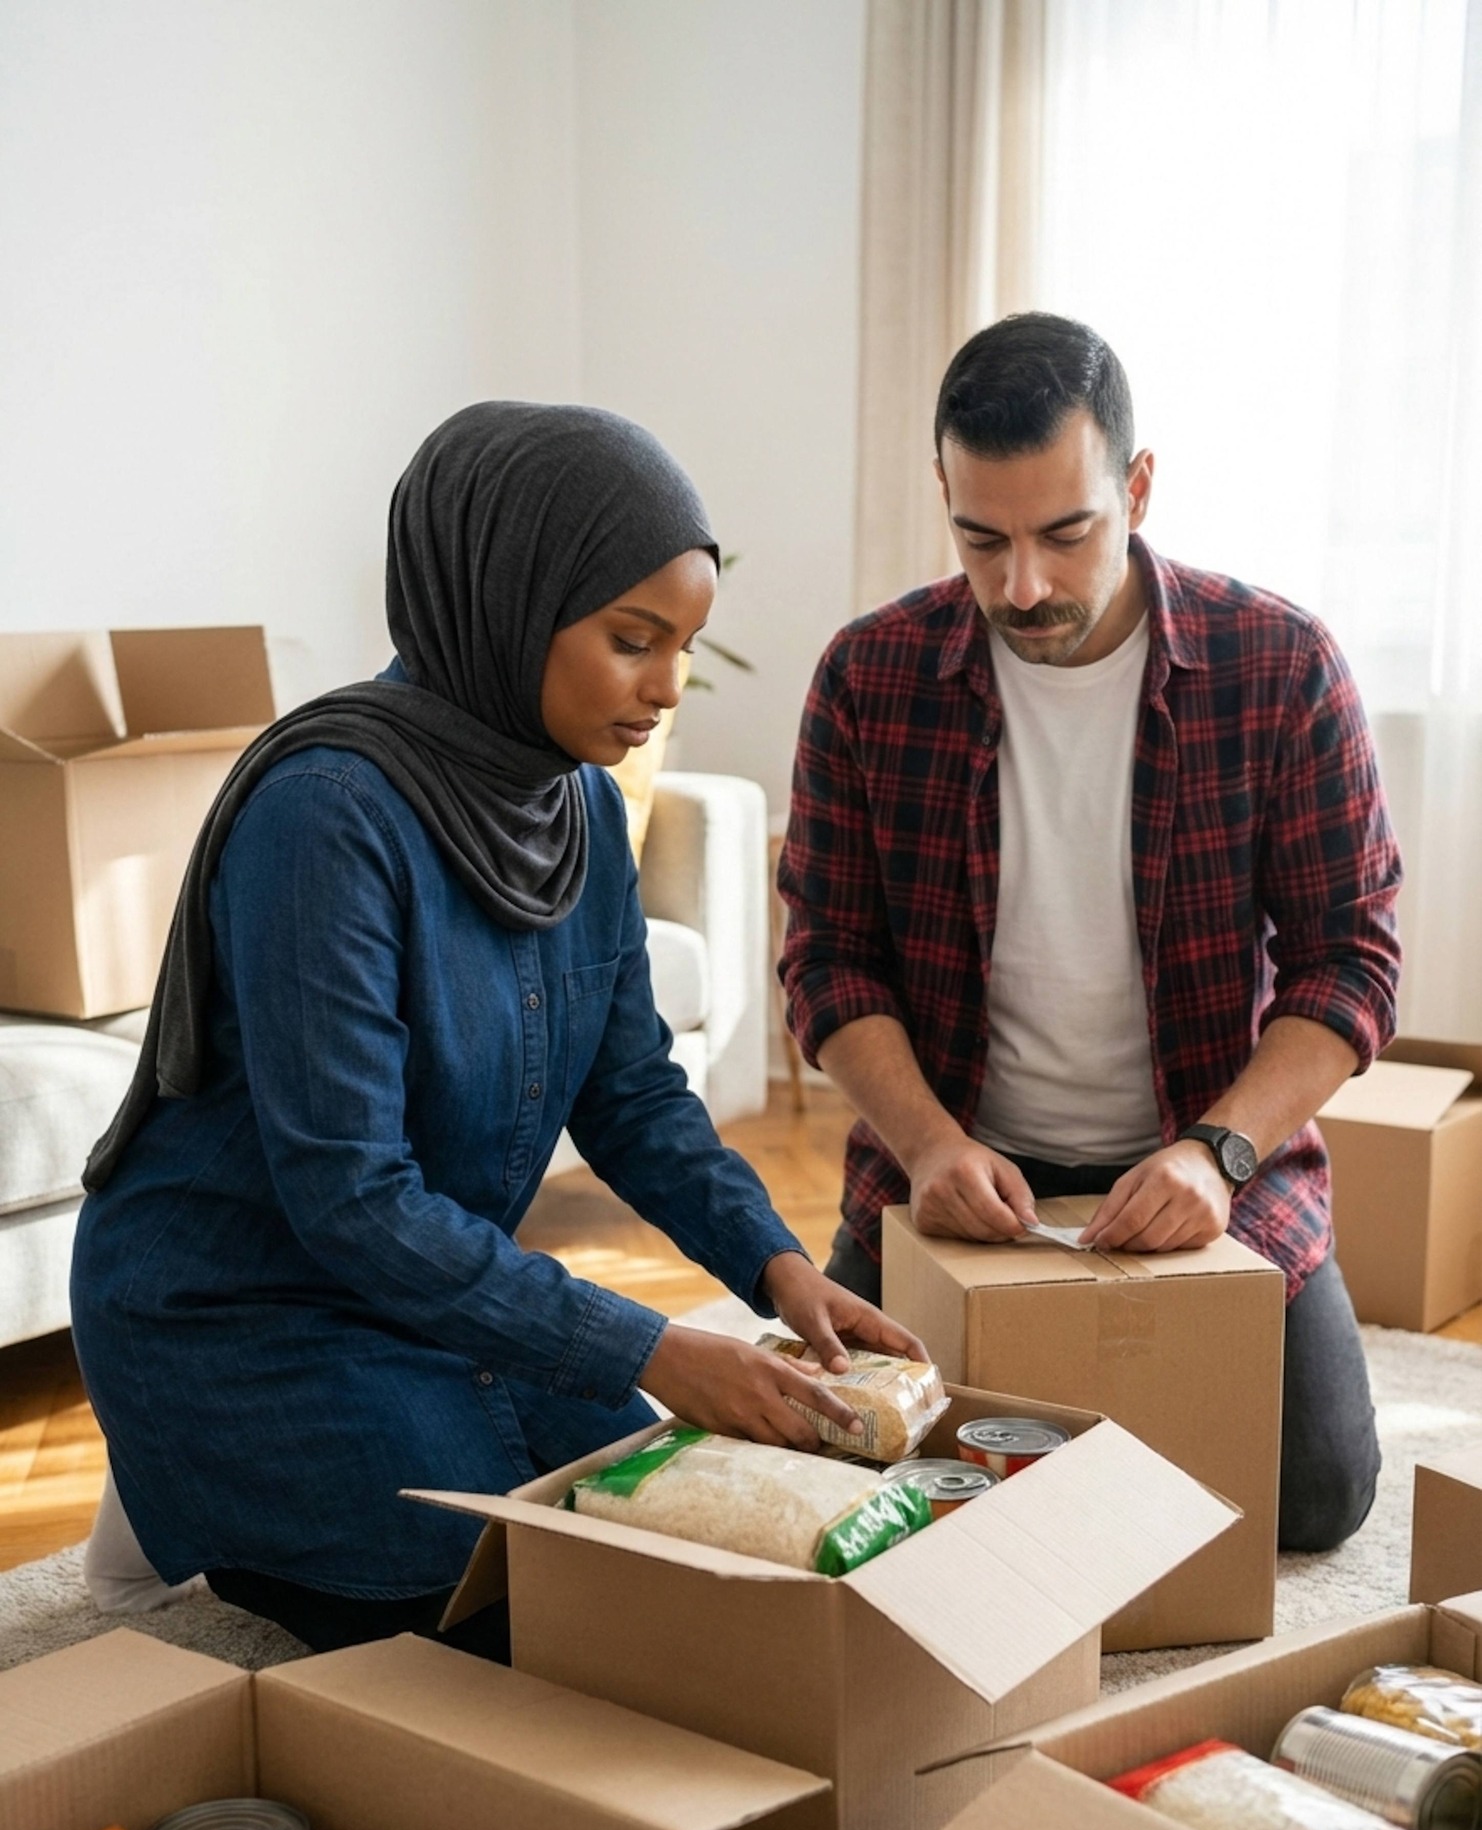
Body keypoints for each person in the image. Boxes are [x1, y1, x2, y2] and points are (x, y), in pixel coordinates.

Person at [70, 401, 923, 1655]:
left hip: (415, 1295)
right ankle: (186, 1472)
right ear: (507, 598)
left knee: (653, 1516)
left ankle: (232, 1484)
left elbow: (634, 1095)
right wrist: (656, 1344)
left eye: (686, 643)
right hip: (240, 1308)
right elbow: (352, 1197)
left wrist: (780, 1271)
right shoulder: (326, 814)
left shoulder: (573, 799)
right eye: (634, 639)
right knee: (499, 1590)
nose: (667, 687)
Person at [779, 313, 1402, 1553]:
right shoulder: (870, 673)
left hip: (1208, 1165)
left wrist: (1216, 1155)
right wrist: (930, 1141)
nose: (1023, 586)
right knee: (840, 1474)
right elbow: (828, 961)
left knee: (1317, 1496)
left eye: (1066, 534)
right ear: (943, 495)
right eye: (981, 538)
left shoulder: (1279, 665)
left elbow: (1353, 960)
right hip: (952, 1166)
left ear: (1139, 485)